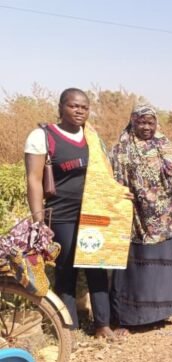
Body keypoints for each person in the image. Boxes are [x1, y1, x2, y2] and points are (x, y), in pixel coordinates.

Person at [24, 88, 126, 338]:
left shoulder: (92, 138)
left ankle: (102, 325)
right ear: (61, 108)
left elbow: (105, 176)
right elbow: (34, 180)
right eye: (73, 106)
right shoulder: (42, 136)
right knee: (66, 269)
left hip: (94, 212)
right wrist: (39, 222)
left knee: (97, 266)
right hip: (61, 213)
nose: (80, 111)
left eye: (84, 107)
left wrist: (120, 195)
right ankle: (69, 328)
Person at [110, 104, 172, 327]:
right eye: (141, 122)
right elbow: (114, 180)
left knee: (163, 265)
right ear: (133, 122)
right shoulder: (121, 149)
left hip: (165, 217)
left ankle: (164, 312)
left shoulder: (165, 145)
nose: (146, 127)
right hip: (137, 217)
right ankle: (136, 316)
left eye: (150, 122)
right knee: (140, 266)